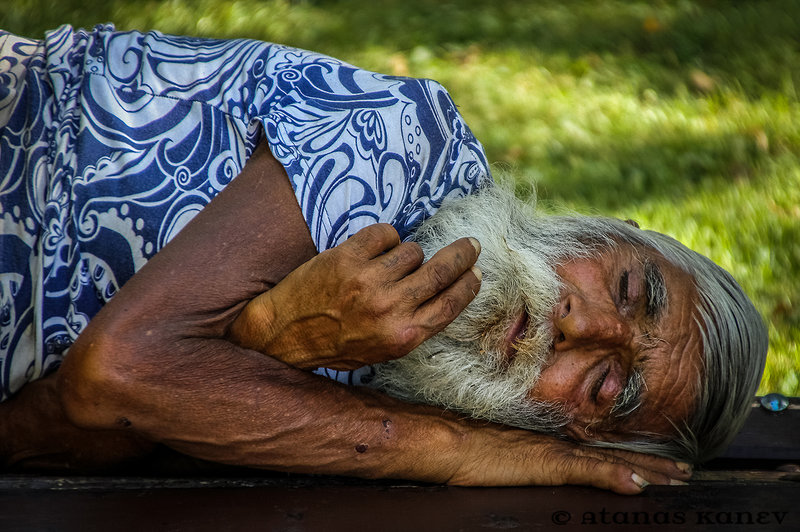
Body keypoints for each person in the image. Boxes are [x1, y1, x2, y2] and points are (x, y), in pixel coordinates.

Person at [0, 25, 767, 494]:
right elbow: (121, 372)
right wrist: (454, 452)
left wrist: (268, 344)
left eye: (605, 385)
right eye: (627, 288)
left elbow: (45, 428)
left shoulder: (394, 392)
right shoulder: (406, 142)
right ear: (607, 230)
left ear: (566, 434)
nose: (581, 326)